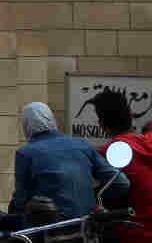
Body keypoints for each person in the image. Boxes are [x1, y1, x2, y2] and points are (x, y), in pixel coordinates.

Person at [9, 101, 127, 221]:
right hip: (88, 225)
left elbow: (20, 201)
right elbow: (121, 183)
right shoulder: (82, 144)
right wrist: (91, 196)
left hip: (51, 228)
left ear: (26, 125)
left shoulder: (25, 153)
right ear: (52, 120)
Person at [93, 89, 152, 243]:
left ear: (101, 123)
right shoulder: (149, 140)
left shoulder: (110, 152)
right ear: (131, 114)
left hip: (136, 232)